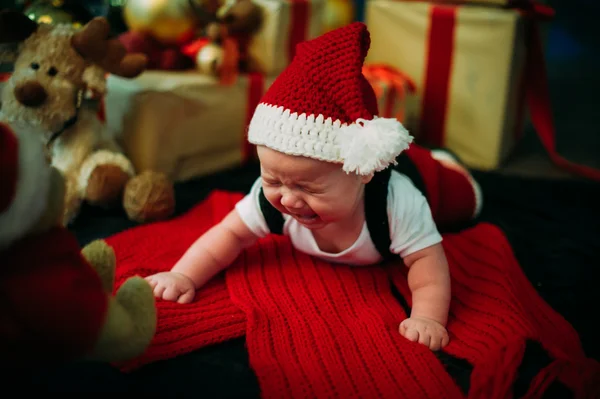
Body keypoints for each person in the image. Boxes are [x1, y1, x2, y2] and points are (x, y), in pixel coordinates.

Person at [146, 22, 482, 351]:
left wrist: (428, 318)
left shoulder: (397, 201)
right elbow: (227, 235)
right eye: (273, 179)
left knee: (465, 198)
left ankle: (446, 162)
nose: (289, 199)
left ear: (362, 171)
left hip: (427, 178)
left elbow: (427, 262)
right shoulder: (269, 199)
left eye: (309, 188)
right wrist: (183, 276)